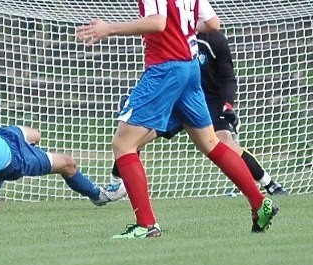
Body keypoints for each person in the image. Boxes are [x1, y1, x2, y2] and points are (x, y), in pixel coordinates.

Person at [76, 0, 278, 239]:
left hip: (166, 68)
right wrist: (182, 30)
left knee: (123, 143)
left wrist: (108, 28)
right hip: (189, 66)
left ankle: (146, 225)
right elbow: (213, 22)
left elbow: (157, 22)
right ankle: (259, 202)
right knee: (210, 143)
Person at [104, 30, 289, 201]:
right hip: (174, 100)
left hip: (207, 103)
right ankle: (116, 184)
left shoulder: (214, 40)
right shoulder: (169, 38)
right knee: (132, 140)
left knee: (225, 144)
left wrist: (227, 105)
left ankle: (268, 184)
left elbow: (228, 78)